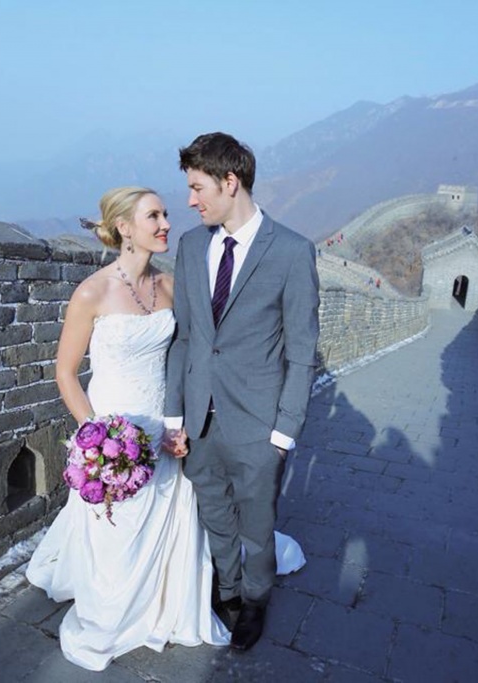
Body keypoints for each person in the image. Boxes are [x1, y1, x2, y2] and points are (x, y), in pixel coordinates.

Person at [25, 186, 303, 671]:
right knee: (117, 531)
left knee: (173, 512)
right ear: (124, 228)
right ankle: (117, 607)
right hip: (113, 430)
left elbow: (190, 353)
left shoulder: (171, 287)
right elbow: (66, 374)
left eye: (166, 215)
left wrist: (184, 419)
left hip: (165, 426)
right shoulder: (91, 292)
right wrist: (97, 441)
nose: (166, 224)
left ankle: (171, 599)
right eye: (153, 216)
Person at [163, 132, 320, 651]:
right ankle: (227, 591)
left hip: (258, 424)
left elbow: (302, 351)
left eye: (197, 187)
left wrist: (284, 433)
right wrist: (174, 418)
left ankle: (254, 601)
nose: (190, 201)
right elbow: (186, 338)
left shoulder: (293, 252)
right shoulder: (189, 247)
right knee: (215, 515)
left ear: (231, 182)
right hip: (200, 419)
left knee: (257, 524)